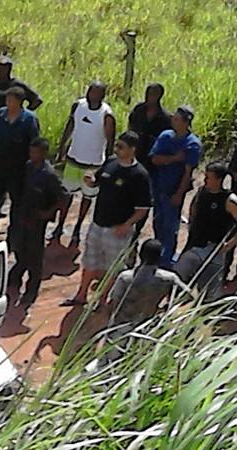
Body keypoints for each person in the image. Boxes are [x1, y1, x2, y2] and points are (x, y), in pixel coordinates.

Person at [62, 131, 152, 307]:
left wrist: (127, 225)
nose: (116, 149)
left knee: (113, 267)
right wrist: (91, 181)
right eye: (117, 145)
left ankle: (102, 300)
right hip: (97, 224)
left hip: (117, 229)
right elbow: (98, 180)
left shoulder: (139, 175)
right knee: (89, 261)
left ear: (133, 150)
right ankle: (81, 295)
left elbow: (143, 209)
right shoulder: (110, 162)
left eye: (121, 147)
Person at [0, 86, 40, 251]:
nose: (8, 103)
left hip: (18, 170)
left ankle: (12, 240)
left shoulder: (29, 119)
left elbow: (34, 144)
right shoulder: (0, 114)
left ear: (20, 102)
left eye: (11, 100)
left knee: (17, 206)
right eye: (7, 99)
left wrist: (33, 167)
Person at [52, 81, 116, 245]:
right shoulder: (78, 106)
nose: (91, 95)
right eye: (89, 91)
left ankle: (77, 228)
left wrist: (107, 165)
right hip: (74, 159)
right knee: (67, 195)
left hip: (93, 165)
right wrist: (62, 148)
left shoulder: (106, 115)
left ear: (102, 96)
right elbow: (70, 124)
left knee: (87, 197)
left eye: (95, 93)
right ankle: (59, 226)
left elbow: (110, 141)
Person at [9, 138, 65, 306]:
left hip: (36, 222)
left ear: (43, 153)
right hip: (22, 217)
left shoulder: (49, 175)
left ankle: (31, 289)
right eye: (31, 151)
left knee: (34, 257)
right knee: (19, 249)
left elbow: (63, 198)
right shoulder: (27, 167)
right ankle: (14, 280)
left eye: (35, 152)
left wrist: (48, 212)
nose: (31, 154)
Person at [174, 162, 237, 300]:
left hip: (213, 249)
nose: (205, 180)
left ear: (219, 179)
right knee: (177, 277)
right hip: (194, 243)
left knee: (210, 292)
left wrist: (229, 245)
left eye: (209, 177)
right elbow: (194, 208)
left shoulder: (229, 200)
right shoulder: (202, 192)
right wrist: (191, 223)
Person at [149, 106, 202, 267]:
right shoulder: (165, 136)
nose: (173, 121)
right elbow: (154, 159)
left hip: (174, 190)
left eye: (177, 119)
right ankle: (156, 255)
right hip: (158, 187)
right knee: (158, 223)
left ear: (186, 123)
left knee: (170, 227)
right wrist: (174, 158)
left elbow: (188, 172)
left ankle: (166, 261)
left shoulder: (192, 144)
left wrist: (179, 194)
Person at [107, 238, 191, 327]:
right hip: (148, 326)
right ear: (160, 257)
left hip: (121, 327)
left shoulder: (125, 277)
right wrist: (165, 309)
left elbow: (112, 302)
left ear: (140, 255)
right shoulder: (169, 278)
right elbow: (187, 296)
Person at [127, 83, 172, 242]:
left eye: (152, 94)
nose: (149, 97)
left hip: (151, 167)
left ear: (159, 96)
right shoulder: (138, 111)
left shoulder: (165, 119)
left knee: (144, 200)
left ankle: (136, 233)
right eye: (147, 93)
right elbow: (130, 130)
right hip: (133, 160)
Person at [0, 55, 42, 124]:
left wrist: (23, 114)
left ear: (9, 69)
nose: (0, 70)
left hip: (14, 124)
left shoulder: (18, 85)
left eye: (4, 68)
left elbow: (37, 99)